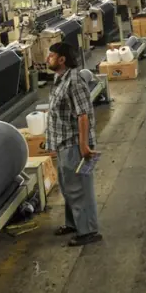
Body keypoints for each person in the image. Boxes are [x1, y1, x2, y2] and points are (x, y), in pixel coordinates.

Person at [46, 42, 102, 247]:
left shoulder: (74, 82)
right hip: (62, 143)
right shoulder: (60, 79)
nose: (47, 59)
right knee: (68, 186)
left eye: (51, 56)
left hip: (73, 145)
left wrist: (84, 145)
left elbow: (83, 115)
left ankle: (88, 230)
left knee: (79, 188)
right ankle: (74, 223)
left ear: (62, 59)